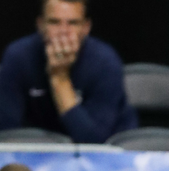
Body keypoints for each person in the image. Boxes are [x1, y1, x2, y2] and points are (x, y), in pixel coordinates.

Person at [0, 0, 136, 144]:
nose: (63, 32)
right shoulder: (18, 57)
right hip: (36, 150)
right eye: (54, 22)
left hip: (100, 157)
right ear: (40, 25)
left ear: (86, 28)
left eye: (73, 23)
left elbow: (94, 143)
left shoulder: (106, 62)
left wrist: (59, 79)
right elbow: (7, 136)